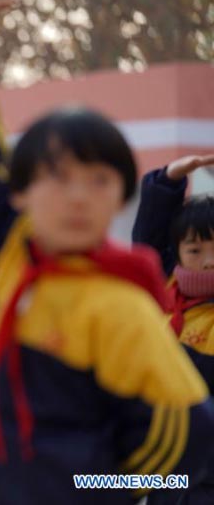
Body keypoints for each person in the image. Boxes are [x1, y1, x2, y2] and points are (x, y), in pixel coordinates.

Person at [0, 0, 214, 503]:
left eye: (99, 179)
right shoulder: (13, 256)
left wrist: (99, 486)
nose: (79, 196)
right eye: (59, 177)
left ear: (120, 197)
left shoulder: (123, 306)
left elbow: (187, 433)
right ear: (20, 192)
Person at [132, 155, 214, 504]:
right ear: (178, 254)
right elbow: (147, 242)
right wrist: (168, 180)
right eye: (194, 250)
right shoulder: (164, 288)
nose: (208, 261)